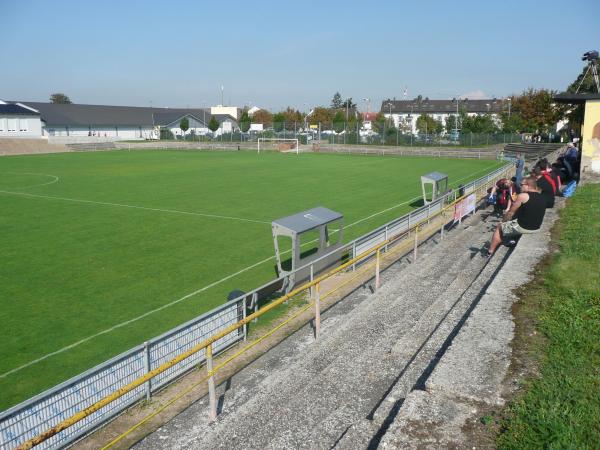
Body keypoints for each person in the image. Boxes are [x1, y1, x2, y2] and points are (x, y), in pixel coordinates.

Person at [486, 177, 546, 257]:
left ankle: (490, 251)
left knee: (499, 227)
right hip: (536, 227)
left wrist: (502, 222)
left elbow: (510, 213)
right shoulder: (541, 196)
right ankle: (511, 240)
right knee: (514, 222)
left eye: (522, 185)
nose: (520, 187)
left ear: (528, 185)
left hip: (525, 227)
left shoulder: (523, 196)